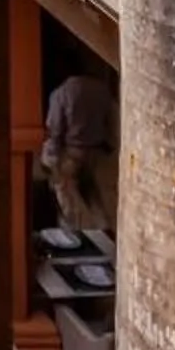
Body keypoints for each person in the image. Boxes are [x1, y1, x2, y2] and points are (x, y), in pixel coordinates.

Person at [39, 68, 118, 233]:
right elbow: (111, 122)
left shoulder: (61, 93)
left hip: (72, 152)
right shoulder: (101, 89)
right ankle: (105, 231)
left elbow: (55, 129)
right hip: (96, 151)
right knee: (95, 196)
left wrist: (52, 161)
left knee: (69, 198)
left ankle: (82, 233)